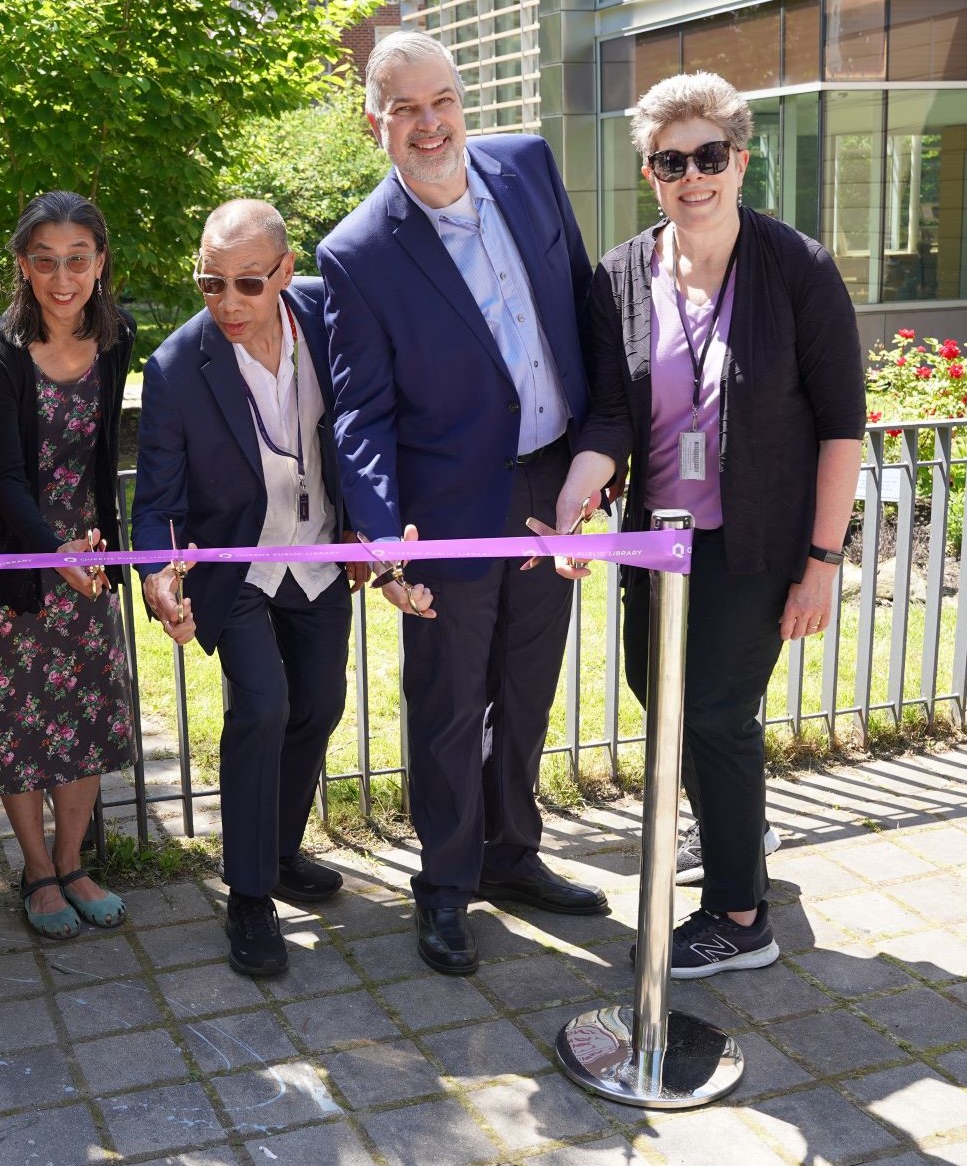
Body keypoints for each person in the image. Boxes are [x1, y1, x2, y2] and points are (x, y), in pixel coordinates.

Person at [547, 72, 864, 978]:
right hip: (660, 541)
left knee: (714, 715)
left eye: (709, 157)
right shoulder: (619, 275)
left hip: (757, 543)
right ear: (650, 172)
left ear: (741, 160)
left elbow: (843, 425)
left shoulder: (797, 268)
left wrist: (821, 562)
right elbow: (610, 414)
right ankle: (741, 828)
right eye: (670, 161)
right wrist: (582, 494)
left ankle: (738, 915)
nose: (693, 177)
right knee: (669, 702)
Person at [316, 31, 608, 978]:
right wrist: (381, 535)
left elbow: (588, 307)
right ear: (376, 124)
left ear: (462, 101)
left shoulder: (526, 166)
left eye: (441, 99)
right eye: (406, 108)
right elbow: (359, 408)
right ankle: (443, 885)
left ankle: (510, 856)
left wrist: (598, 453)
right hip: (445, 512)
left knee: (529, 688)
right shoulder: (357, 251)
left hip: (553, 484)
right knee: (447, 702)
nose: (430, 123)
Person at [132, 200, 368, 977]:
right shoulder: (175, 367)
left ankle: (280, 848)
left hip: (320, 555)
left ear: (286, 272)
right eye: (210, 284)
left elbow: (370, 432)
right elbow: (156, 503)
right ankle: (250, 893)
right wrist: (158, 579)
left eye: (247, 284)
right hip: (237, 567)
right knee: (262, 704)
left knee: (321, 705)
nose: (228, 303)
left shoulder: (332, 327)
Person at [0, 191, 136, 940]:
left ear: (99, 263)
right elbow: (4, 474)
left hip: (88, 562)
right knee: (20, 728)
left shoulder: (118, 334)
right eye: (45, 261)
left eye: (77, 260)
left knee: (87, 721)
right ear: (23, 266)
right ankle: (36, 870)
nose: (62, 278)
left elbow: (101, 459)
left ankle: (72, 862)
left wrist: (97, 550)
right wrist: (48, 550)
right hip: (20, 565)